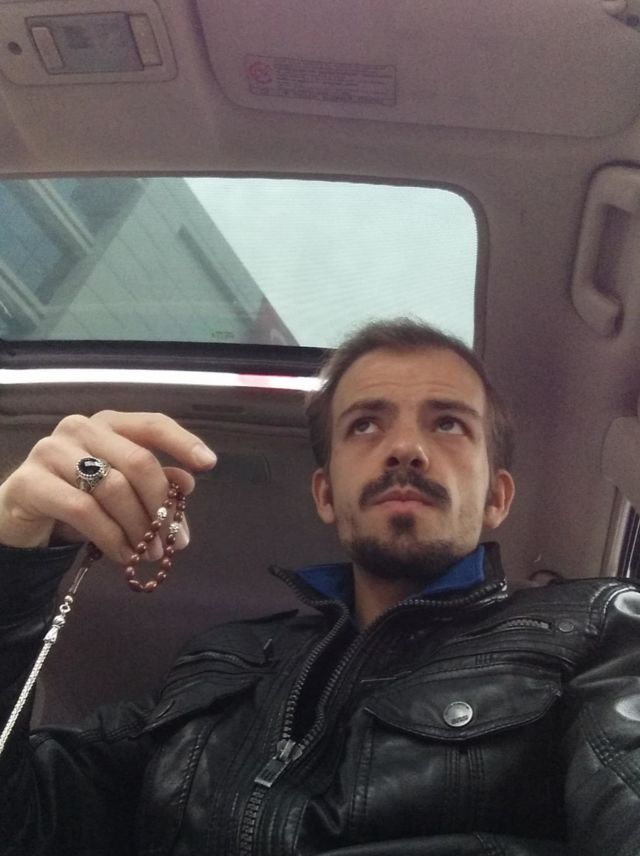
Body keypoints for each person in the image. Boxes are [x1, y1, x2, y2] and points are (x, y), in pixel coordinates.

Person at [0, 318, 639, 856]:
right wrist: (12, 556)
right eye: (365, 425)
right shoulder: (216, 662)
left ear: (497, 497)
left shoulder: (597, 628)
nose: (406, 449)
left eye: (448, 424)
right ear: (326, 494)